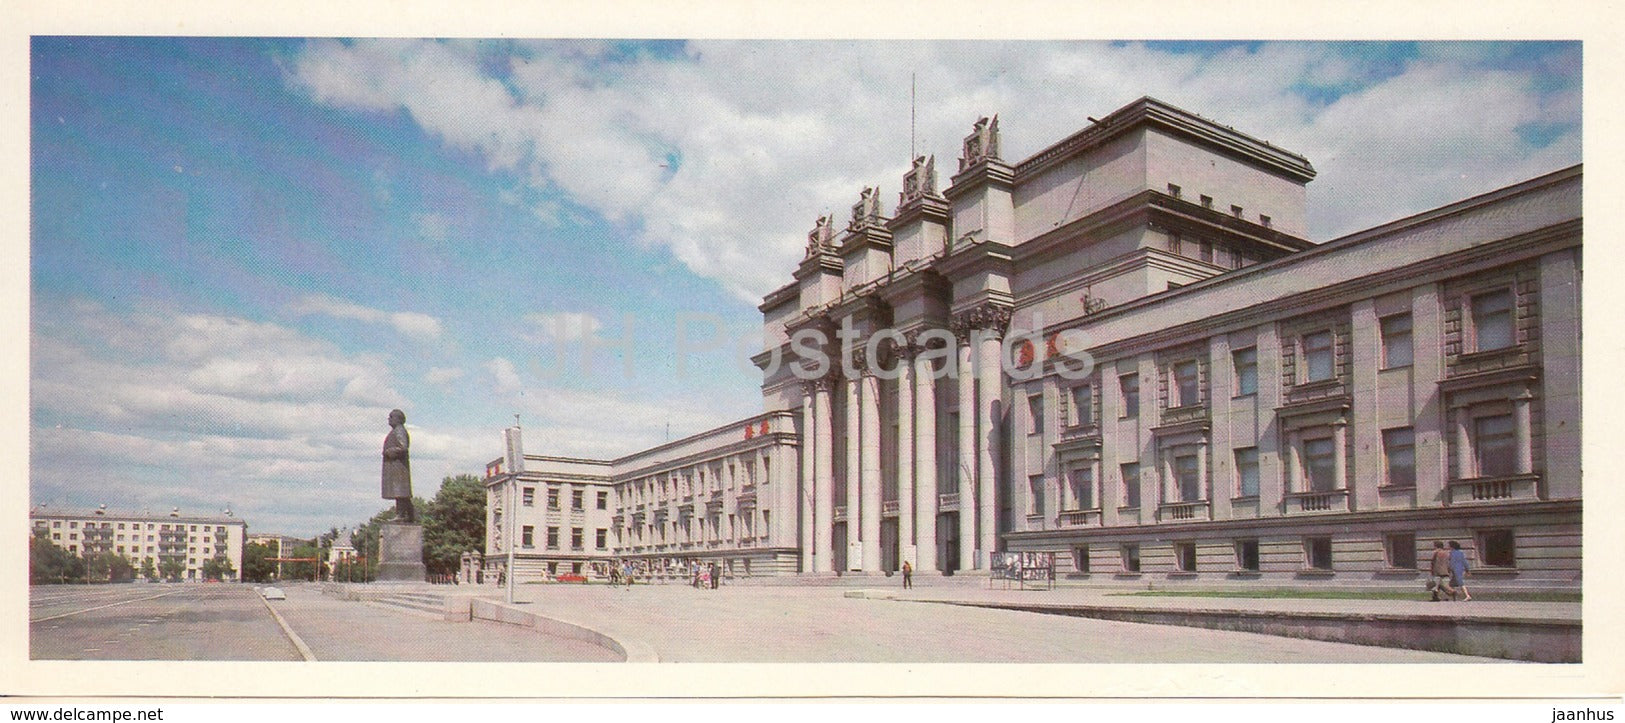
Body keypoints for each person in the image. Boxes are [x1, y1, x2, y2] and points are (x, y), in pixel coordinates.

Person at [381, 409, 415, 523]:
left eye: (391, 417)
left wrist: (390, 451)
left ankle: (401, 515)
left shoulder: (399, 431)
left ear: (398, 419)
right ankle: (410, 515)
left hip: (398, 467)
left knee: (400, 492)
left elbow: (403, 447)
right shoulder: (396, 431)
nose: (389, 419)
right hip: (396, 466)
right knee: (402, 493)